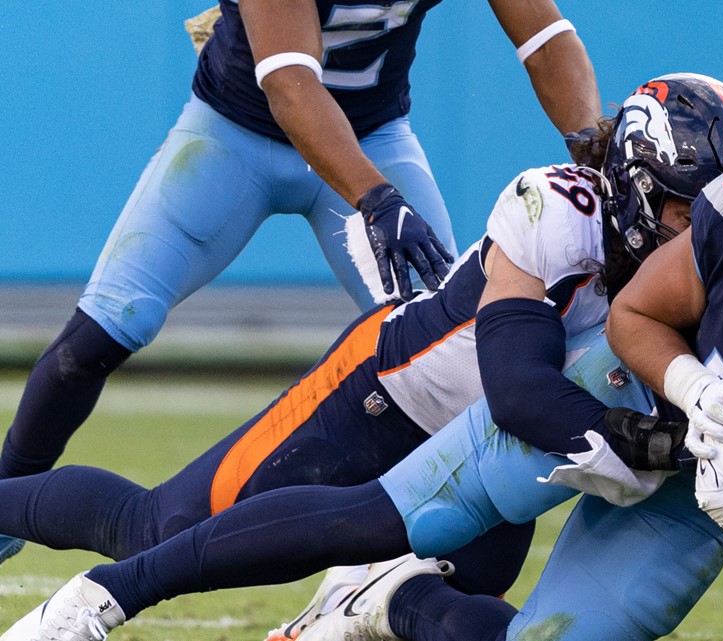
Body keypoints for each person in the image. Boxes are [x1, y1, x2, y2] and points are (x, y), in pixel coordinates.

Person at [0, 73, 723, 641]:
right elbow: (517, 388)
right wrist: (645, 439)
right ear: (632, 186)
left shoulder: (718, 268)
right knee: (152, 527)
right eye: (680, 209)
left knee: (443, 597)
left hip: (490, 451)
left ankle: (361, 605)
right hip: (387, 397)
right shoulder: (559, 207)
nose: (697, 235)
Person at [274, 144, 723, 641]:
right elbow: (634, 315)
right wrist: (694, 386)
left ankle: (394, 600)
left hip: (707, 488)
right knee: (408, 512)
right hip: (626, 385)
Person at [0, 0, 601, 564]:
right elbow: (290, 85)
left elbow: (545, 38)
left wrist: (596, 149)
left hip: (374, 135)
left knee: (462, 360)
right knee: (107, 327)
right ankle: (6, 505)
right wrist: (377, 198)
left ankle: (438, 580)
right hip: (235, 133)